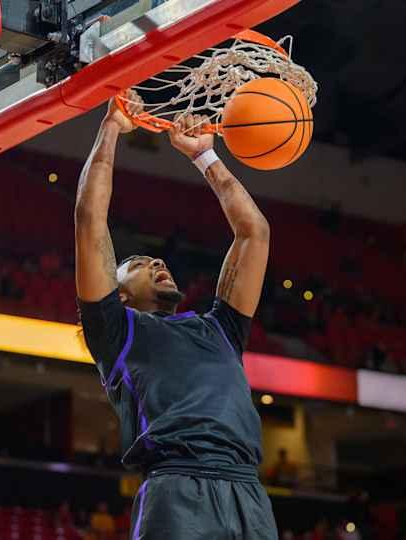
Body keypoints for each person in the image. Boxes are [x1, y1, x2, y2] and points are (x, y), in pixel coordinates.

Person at [75, 93, 275, 539]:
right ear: (118, 291)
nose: (157, 263)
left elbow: (254, 232)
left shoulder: (219, 328)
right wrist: (110, 130)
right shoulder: (117, 330)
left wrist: (205, 155)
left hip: (247, 490)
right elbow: (90, 220)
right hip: (176, 486)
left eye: (158, 261)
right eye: (139, 263)